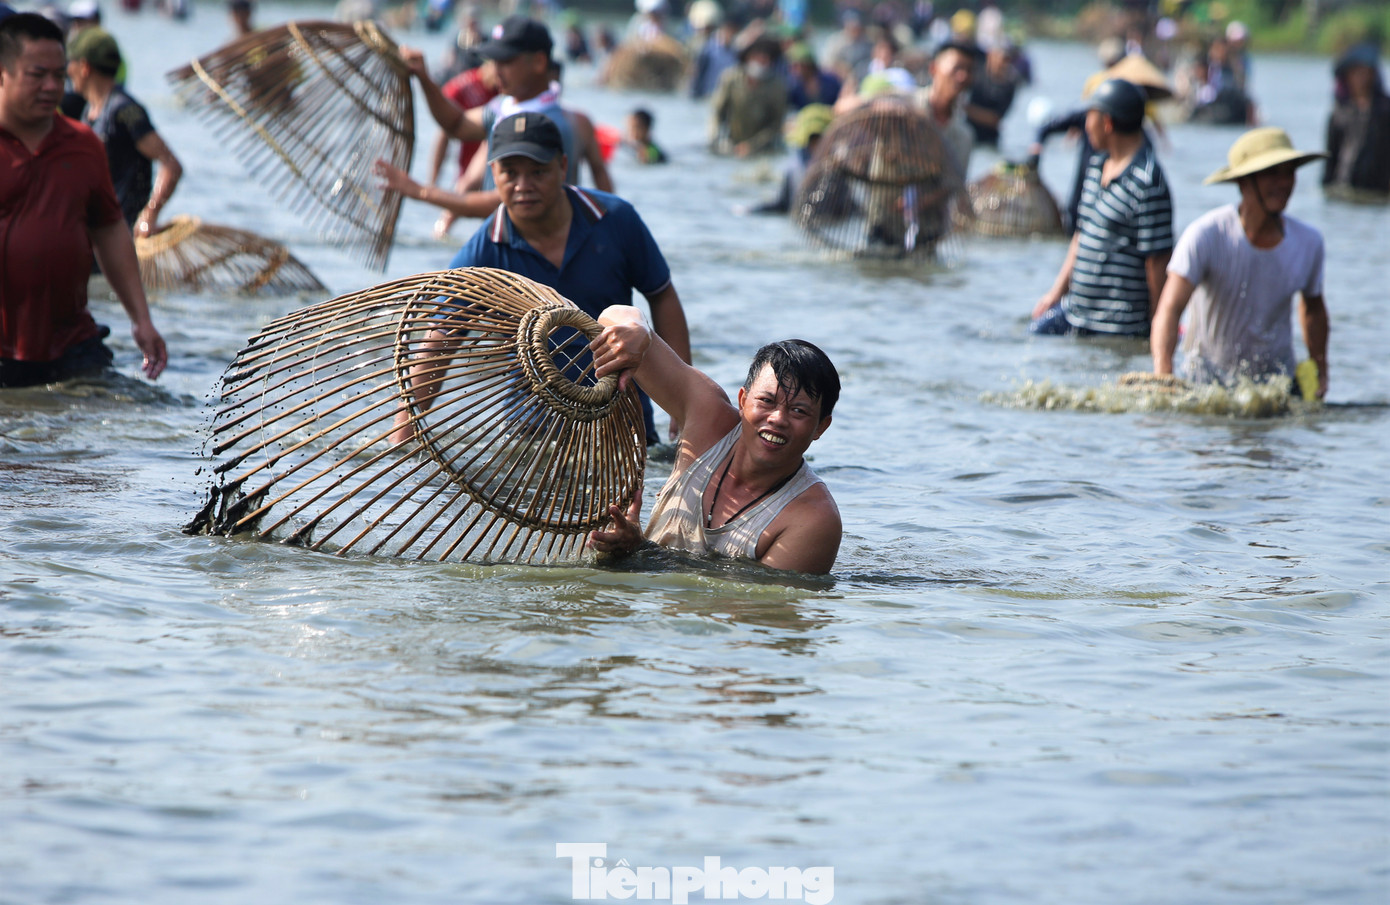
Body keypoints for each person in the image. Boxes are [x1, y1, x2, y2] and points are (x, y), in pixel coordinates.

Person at [397, 113, 691, 447]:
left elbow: (662, 295)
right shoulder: (484, 252)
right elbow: (440, 339)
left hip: (621, 419)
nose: (523, 186)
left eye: (537, 171)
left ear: (562, 166)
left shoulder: (616, 220)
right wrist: (402, 435)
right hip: (534, 429)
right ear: (493, 173)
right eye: (510, 173)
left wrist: (683, 400)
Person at [587, 308, 841, 574]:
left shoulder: (812, 519)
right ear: (743, 401)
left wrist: (639, 551)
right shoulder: (707, 417)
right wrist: (639, 330)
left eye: (798, 411)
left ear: (821, 427)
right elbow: (612, 315)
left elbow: (753, 607)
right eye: (766, 401)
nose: (778, 418)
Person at [0, 13, 165, 386]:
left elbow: (109, 229)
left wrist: (141, 319)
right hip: (4, 351)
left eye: (59, 76)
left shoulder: (83, 144)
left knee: (116, 422)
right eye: (36, 74)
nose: (51, 87)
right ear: (3, 73)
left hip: (73, 343)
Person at [376, 17, 612, 221]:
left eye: (506, 61)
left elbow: (499, 203)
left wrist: (420, 191)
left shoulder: (557, 124)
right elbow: (456, 125)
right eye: (494, 61)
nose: (495, 70)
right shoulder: (502, 108)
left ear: (539, 63)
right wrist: (424, 79)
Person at [1151, 128, 1329, 396]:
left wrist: (1320, 369)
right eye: (1272, 173)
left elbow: (1313, 308)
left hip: (1276, 386)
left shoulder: (1309, 242)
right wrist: (1163, 374)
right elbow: (1170, 307)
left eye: (1289, 172)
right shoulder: (1206, 235)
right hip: (1207, 383)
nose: (1284, 183)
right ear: (1244, 182)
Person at [1032, 79, 1172, 337]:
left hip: (1118, 325)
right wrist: (1056, 293)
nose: (1085, 126)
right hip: (1077, 312)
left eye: (1089, 118)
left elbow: (1158, 260)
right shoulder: (1097, 165)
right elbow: (1081, 233)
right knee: (1030, 336)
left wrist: (1158, 325)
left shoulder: (1147, 181)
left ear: (1107, 123)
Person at [66, 27, 181, 235]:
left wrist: (149, 216)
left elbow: (171, 164)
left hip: (122, 234)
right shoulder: (89, 111)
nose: (66, 71)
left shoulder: (125, 110)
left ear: (84, 67)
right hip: (94, 232)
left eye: (69, 63)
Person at [1323, 43, 1390, 199]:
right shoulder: (1339, 113)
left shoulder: (1386, 110)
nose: (1361, 78)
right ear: (1347, 76)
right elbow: (1330, 157)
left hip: (1378, 188)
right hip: (1344, 185)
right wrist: (1327, 188)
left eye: (1365, 72)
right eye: (1356, 72)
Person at [708, 35, 787, 157]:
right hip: (731, 143)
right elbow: (717, 112)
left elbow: (776, 125)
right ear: (748, 58)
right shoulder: (730, 79)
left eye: (765, 59)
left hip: (763, 148)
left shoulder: (777, 86)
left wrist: (752, 145)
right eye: (757, 57)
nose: (762, 62)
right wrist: (714, 137)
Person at [915, 39, 978, 181]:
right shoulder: (904, 107)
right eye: (957, 68)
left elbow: (954, 187)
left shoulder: (964, 136)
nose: (963, 76)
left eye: (969, 70)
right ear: (933, 69)